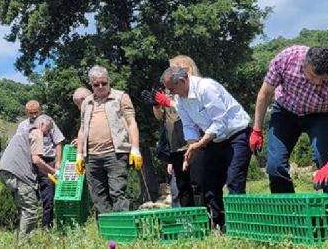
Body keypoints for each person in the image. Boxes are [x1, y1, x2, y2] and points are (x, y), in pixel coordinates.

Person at [249, 45, 328, 193]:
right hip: (285, 112)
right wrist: (257, 129)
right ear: (304, 64)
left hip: (321, 115)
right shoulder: (287, 58)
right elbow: (265, 94)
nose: (317, 83)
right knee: (274, 165)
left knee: (325, 159)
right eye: (312, 76)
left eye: (323, 80)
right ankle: (287, 212)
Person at [160, 65, 251, 232]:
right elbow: (189, 125)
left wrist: (199, 145)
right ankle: (220, 224)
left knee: (234, 180)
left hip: (236, 135)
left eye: (172, 89)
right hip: (214, 140)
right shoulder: (181, 99)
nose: (171, 93)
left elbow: (220, 123)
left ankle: (240, 225)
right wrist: (191, 148)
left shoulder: (206, 88)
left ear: (182, 80)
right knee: (209, 182)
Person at [75, 66, 141, 213]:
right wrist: (79, 155)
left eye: (104, 83)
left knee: (117, 192)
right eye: (96, 84)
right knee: (98, 196)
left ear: (109, 81)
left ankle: (122, 231)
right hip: (91, 156)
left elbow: (132, 123)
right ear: (91, 85)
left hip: (115, 154)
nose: (100, 87)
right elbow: (82, 128)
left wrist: (135, 149)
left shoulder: (120, 97)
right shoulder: (86, 102)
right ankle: (107, 233)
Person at [149, 55, 202, 208]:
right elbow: (160, 117)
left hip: (194, 143)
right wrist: (157, 105)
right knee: (178, 188)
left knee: (197, 184)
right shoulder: (168, 90)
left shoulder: (195, 88)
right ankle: (186, 224)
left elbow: (188, 111)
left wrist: (169, 102)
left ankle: (207, 221)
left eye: (173, 68)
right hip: (175, 146)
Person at [0, 115, 58, 242]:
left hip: (5, 171)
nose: (47, 135)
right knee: (30, 209)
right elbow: (36, 160)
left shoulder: (24, 132)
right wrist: (54, 171)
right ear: (42, 125)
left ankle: (23, 239)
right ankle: (24, 244)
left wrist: (49, 175)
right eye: (48, 131)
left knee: (25, 209)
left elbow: (34, 164)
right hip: (18, 174)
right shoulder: (37, 133)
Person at [16, 100, 65, 228]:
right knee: (31, 197)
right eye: (30, 113)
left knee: (48, 197)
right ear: (26, 112)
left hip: (47, 162)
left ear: (40, 111)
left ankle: (47, 227)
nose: (33, 116)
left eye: (35, 113)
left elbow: (59, 142)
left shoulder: (48, 122)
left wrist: (58, 162)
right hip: (30, 163)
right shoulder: (22, 126)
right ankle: (31, 226)